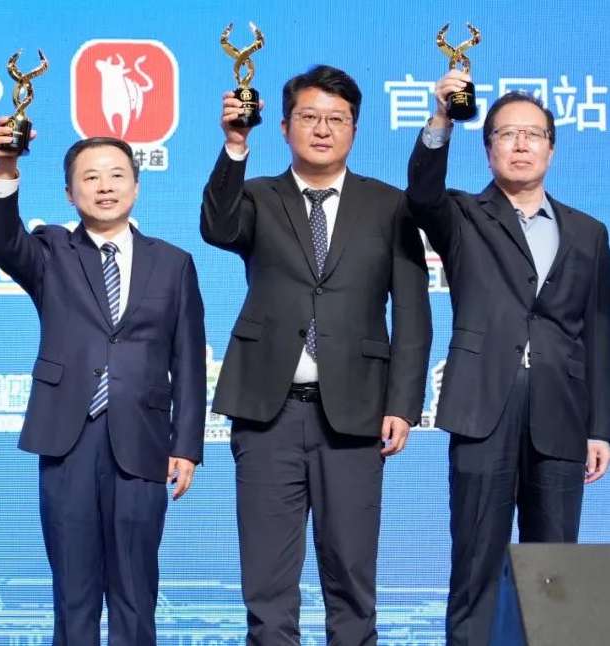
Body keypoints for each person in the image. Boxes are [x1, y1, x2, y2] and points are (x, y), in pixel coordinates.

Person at [201, 65, 432, 645]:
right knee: (267, 584)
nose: (323, 129)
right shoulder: (257, 196)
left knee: (351, 579)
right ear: (284, 127)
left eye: (337, 119)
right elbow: (217, 227)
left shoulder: (390, 205)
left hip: (356, 414)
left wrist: (403, 404)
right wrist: (234, 145)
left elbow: (412, 311)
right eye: (309, 117)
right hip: (267, 412)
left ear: (355, 128)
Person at [407, 73, 610, 646]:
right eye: (507, 134)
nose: (521, 144)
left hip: (561, 415)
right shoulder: (462, 214)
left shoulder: (588, 232)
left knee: (556, 570)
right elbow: (421, 193)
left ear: (552, 148)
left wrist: (600, 427)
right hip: (482, 408)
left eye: (533, 134)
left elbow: (597, 333)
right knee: (476, 563)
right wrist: (441, 118)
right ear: (488, 147)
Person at [0, 126, 206, 645]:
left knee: (135, 592)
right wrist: (6, 171)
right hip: (69, 438)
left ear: (136, 186)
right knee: (74, 595)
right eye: (90, 177)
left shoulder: (173, 263)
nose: (105, 186)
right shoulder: (51, 252)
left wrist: (186, 445)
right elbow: (3, 240)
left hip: (143, 442)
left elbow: (188, 361)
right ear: (69, 193)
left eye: (116, 175)